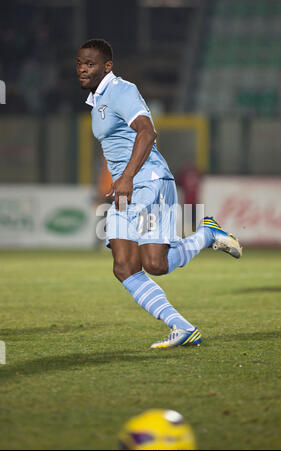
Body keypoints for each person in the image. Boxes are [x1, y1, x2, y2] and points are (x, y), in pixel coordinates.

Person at [76, 39, 242, 349]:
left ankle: (206, 234)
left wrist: (126, 176)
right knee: (123, 266)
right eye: (79, 63)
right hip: (126, 190)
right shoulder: (97, 100)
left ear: (107, 67)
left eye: (90, 63)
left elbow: (147, 130)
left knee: (156, 264)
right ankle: (183, 328)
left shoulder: (121, 90)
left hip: (149, 182)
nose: (83, 68)